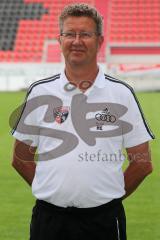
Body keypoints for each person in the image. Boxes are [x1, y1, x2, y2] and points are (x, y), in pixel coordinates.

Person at [11, 3, 154, 240]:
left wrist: (108, 197)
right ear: (60, 40)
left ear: (99, 41)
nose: (76, 41)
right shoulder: (39, 92)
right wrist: (52, 190)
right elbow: (20, 157)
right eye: (70, 34)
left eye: (85, 34)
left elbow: (142, 162)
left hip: (104, 221)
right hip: (49, 220)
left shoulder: (121, 93)